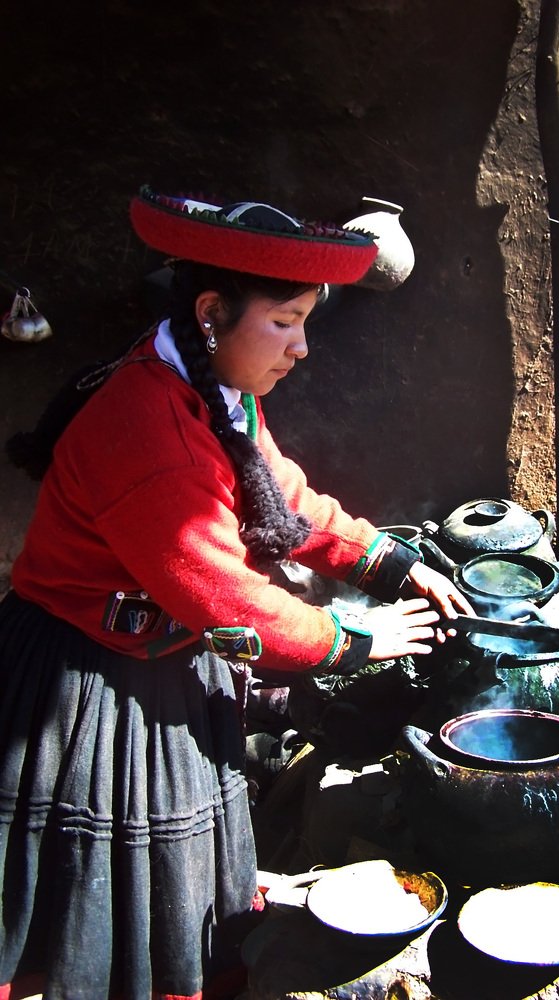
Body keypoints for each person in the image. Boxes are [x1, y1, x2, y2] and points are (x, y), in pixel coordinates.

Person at [0, 186, 472, 1000]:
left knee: (173, 873)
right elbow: (224, 598)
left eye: (306, 325)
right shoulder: (145, 427)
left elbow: (280, 497)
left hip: (158, 659)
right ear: (214, 312)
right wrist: (350, 640)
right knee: (100, 883)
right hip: (86, 682)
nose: (301, 349)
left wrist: (388, 561)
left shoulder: (213, 393)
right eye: (284, 323)